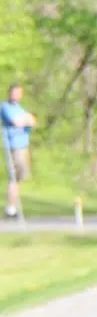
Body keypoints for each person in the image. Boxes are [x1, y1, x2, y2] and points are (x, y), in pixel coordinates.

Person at [1, 84, 34, 219]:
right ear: (10, 93)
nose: (16, 95)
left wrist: (26, 120)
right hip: (13, 145)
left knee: (20, 176)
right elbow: (17, 122)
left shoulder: (20, 108)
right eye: (14, 92)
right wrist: (24, 120)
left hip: (23, 144)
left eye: (18, 93)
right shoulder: (5, 106)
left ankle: (12, 206)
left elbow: (32, 121)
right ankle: (11, 208)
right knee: (14, 176)